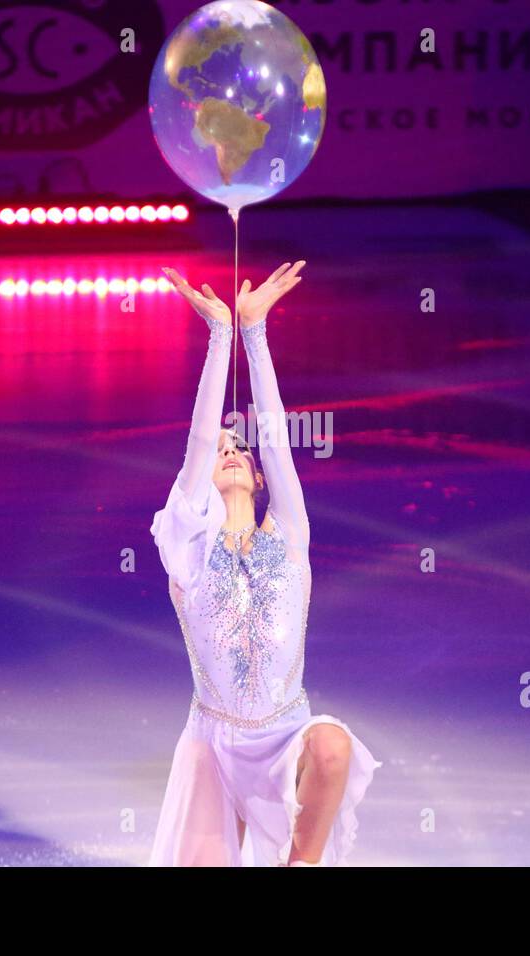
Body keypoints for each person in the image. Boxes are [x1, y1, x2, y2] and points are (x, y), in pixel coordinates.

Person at [147, 261, 382, 866]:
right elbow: (199, 444)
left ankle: (297, 866)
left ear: (256, 477)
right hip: (213, 744)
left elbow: (275, 437)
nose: (227, 452)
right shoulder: (186, 548)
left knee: (332, 746)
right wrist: (220, 336)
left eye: (238, 449)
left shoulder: (291, 535)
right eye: (220, 450)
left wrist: (257, 334)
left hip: (283, 733)